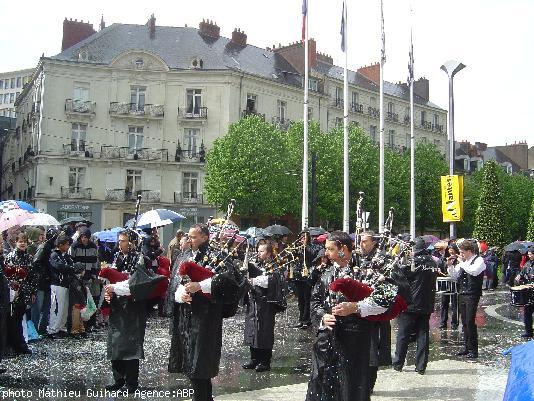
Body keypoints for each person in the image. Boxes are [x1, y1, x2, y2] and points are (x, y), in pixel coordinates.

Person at [306, 231, 373, 401]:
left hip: (354, 342)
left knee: (351, 385)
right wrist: (322, 317)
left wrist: (356, 307)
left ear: (342, 249)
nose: (326, 253)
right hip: (326, 342)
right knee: (322, 385)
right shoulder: (326, 274)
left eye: (329, 249)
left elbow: (381, 302)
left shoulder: (365, 272)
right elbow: (315, 301)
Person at [168, 224, 230, 401]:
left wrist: (201, 286)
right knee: (190, 361)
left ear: (205, 237)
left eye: (194, 237)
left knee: (201, 361)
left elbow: (227, 281)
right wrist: (181, 294)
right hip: (187, 316)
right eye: (189, 236)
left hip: (206, 317)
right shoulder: (184, 256)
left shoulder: (218, 256)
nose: (189, 240)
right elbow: (175, 282)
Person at [103, 230, 152, 393]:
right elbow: (111, 277)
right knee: (115, 342)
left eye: (123, 241)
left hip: (133, 306)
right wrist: (109, 292)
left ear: (131, 242)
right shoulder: (117, 256)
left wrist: (116, 287)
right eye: (119, 240)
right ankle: (118, 378)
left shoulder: (140, 259)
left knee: (131, 344)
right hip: (118, 305)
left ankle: (131, 382)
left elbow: (136, 282)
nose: (120, 243)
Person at [392, 237, 438, 375]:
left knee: (403, 334)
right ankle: (421, 366)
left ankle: (398, 363)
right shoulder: (433, 262)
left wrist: (396, 265)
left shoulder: (413, 262)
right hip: (427, 303)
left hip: (410, 303)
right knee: (423, 334)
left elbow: (399, 277)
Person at [358, 231, 392, 393]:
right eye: (360, 241)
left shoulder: (385, 261)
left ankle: (368, 386)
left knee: (372, 353)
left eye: (364, 241)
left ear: (374, 242)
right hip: (357, 313)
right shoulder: (357, 259)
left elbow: (392, 290)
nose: (361, 244)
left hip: (375, 316)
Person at [242, 242, 284, 372]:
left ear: (269, 253)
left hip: (266, 303)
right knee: (252, 329)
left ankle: (265, 361)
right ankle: (254, 359)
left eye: (261, 251)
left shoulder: (275, 265)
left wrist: (255, 280)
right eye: (258, 251)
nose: (258, 253)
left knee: (264, 331)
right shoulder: (256, 263)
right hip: (253, 301)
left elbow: (274, 280)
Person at [448, 239, 486, 359]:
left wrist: (462, 263)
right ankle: (466, 347)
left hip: (472, 294)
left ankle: (474, 350)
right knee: (464, 321)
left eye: (463, 252)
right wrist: (450, 266)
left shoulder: (479, 260)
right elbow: (454, 276)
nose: (461, 254)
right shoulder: (464, 262)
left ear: (470, 251)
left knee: (470, 321)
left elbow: (474, 271)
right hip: (462, 293)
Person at [4, 233, 37, 355]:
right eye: (20, 241)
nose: (22, 243)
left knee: (19, 318)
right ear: (16, 242)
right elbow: (7, 275)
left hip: (26, 291)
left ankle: (20, 345)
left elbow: (33, 276)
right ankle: (15, 345)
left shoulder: (29, 257)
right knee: (13, 319)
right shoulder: (10, 256)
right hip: (14, 292)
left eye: (24, 241)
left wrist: (33, 291)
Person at [70, 227, 99, 332]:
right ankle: (78, 326)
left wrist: (94, 275)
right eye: (82, 237)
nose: (84, 239)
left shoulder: (93, 247)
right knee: (79, 302)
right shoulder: (74, 246)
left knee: (91, 300)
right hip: (78, 277)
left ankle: (90, 324)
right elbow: (71, 261)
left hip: (89, 276)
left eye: (85, 237)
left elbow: (96, 262)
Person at [47, 235, 76, 339]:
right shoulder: (54, 255)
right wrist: (70, 268)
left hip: (66, 284)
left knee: (64, 308)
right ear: (60, 245)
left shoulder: (66, 256)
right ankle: (52, 329)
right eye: (67, 244)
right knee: (56, 308)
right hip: (57, 284)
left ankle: (61, 328)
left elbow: (71, 266)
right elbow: (59, 266)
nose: (68, 246)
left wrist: (71, 268)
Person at [292, 230, 317, 329]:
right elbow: (293, 258)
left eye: (304, 237)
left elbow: (312, 255)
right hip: (298, 276)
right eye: (301, 237)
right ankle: (301, 319)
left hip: (307, 276)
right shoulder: (298, 248)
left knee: (307, 298)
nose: (302, 239)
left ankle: (307, 319)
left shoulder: (312, 247)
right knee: (300, 299)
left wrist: (305, 247)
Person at [515, 247, 534, 338]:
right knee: (527, 313)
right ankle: (528, 331)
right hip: (528, 292)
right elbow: (522, 273)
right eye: (529, 254)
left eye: (531, 254)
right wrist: (519, 276)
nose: (529, 256)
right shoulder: (527, 263)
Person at [439, 244, 459, 330]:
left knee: (455, 303)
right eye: (449, 250)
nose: (451, 252)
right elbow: (440, 267)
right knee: (444, 303)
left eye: (452, 250)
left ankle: (454, 322)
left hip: (455, 283)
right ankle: (443, 322)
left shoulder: (459, 259)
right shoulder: (443, 258)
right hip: (445, 282)